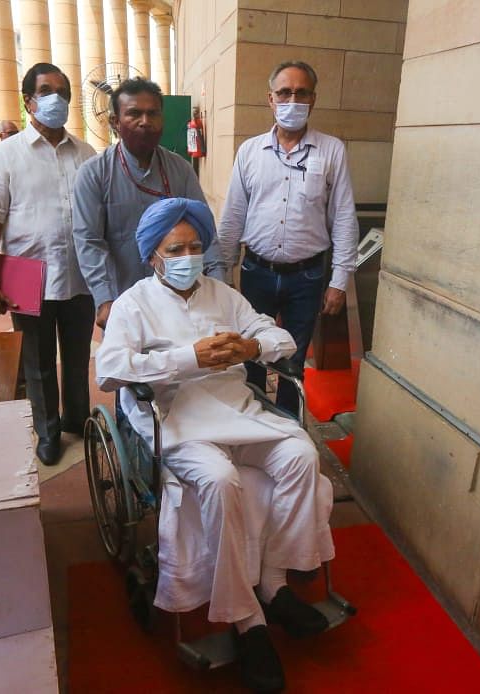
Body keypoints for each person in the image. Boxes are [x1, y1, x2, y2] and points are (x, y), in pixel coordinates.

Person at [96, 197, 334, 693]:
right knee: (221, 480)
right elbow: (111, 371)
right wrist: (188, 358)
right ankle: (247, 620)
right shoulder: (133, 305)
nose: (188, 256)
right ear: (153, 257)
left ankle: (273, 583)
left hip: (236, 410)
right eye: (176, 248)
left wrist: (251, 347)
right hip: (178, 419)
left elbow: (280, 338)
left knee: (301, 455)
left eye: (196, 246)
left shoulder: (224, 295)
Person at [0, 63, 97, 465]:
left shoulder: (87, 154)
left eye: (63, 91)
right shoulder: (5, 157)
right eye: (47, 91)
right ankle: (47, 431)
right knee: (37, 362)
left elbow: (98, 218)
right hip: (28, 280)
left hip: (79, 276)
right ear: (29, 101)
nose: (56, 99)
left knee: (78, 357)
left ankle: (78, 418)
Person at [218, 61, 358, 414]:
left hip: (307, 278)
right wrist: (221, 274)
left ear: (313, 99)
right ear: (270, 99)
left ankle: (286, 428)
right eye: (284, 92)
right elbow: (233, 215)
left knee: (292, 360)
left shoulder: (332, 151)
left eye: (301, 92)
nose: (292, 99)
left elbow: (343, 217)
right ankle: (251, 422)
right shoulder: (249, 152)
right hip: (256, 272)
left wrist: (339, 281)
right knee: (249, 354)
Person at [73, 77, 228, 330]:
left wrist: (220, 286)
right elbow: (89, 241)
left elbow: (205, 231)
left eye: (152, 113)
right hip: (124, 302)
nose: (145, 121)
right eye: (134, 114)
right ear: (115, 122)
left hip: (180, 299)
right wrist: (104, 299)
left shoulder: (180, 169)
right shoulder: (94, 174)